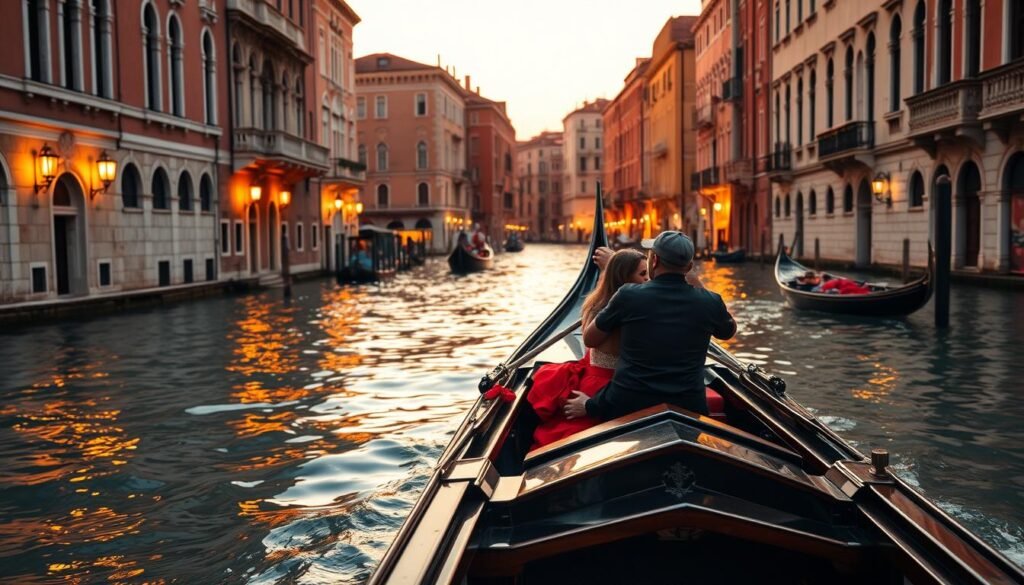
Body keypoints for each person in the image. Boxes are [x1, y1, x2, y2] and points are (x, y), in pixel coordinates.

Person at [565, 231, 737, 421]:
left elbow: (589, 339)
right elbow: (728, 331)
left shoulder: (628, 295)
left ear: (653, 260)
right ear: (688, 266)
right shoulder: (711, 302)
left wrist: (589, 405)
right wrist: (699, 285)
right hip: (689, 407)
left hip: (627, 406)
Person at [527, 249, 649, 449]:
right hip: (606, 386)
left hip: (592, 377)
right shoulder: (629, 311)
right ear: (623, 278)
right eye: (642, 274)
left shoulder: (596, 302)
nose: (648, 280)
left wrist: (610, 266)